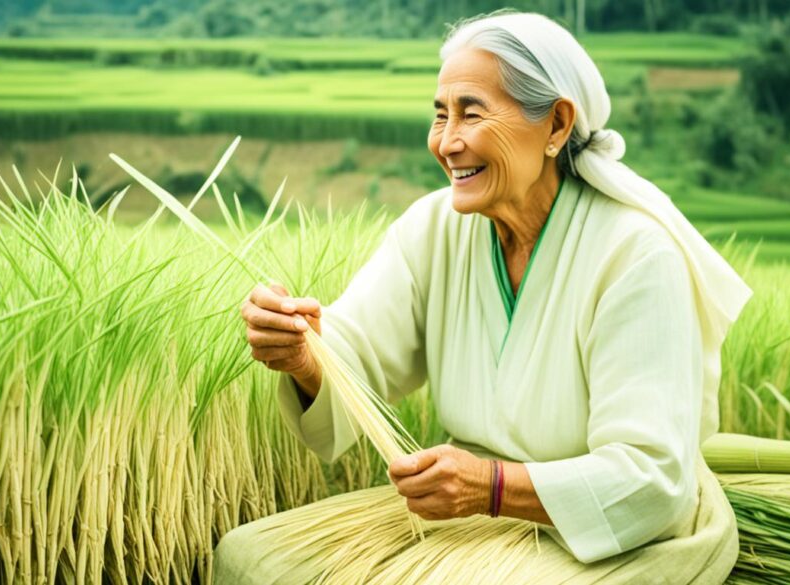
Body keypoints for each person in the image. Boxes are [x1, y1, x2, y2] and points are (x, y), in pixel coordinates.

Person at [218, 10, 752, 584]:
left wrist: (493, 487)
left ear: (555, 126)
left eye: (471, 113)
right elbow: (358, 353)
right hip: (473, 521)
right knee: (250, 557)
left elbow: (650, 480)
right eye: (440, 115)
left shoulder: (635, 254)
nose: (447, 143)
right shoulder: (435, 228)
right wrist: (303, 353)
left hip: (601, 532)